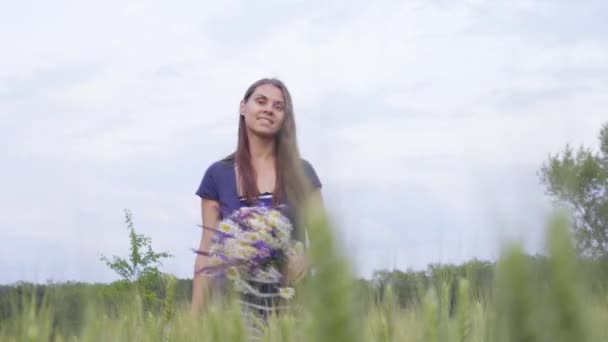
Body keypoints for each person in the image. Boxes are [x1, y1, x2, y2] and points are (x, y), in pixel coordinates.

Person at [191, 78, 323, 330]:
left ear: (285, 118)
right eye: (261, 101)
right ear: (243, 107)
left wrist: (305, 259)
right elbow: (206, 253)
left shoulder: (302, 172)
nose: (268, 109)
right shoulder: (217, 175)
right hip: (231, 312)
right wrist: (194, 322)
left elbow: (324, 241)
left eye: (278, 106)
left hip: (289, 309)